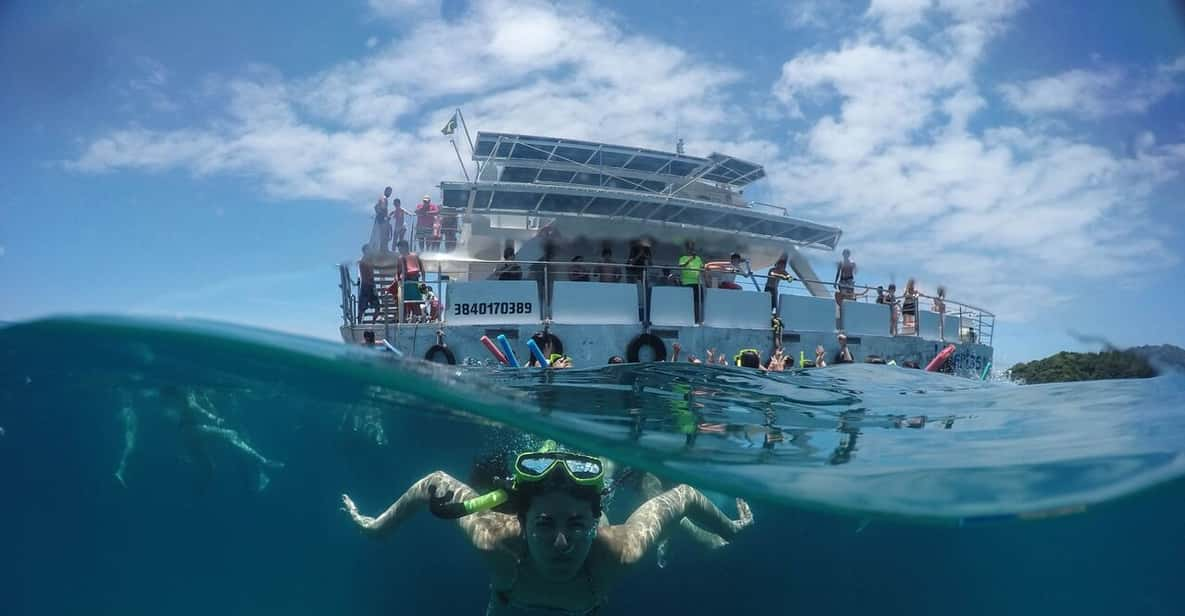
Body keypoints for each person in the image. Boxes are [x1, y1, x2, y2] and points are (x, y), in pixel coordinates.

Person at [341, 444, 753, 615]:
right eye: (543, 523)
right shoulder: (497, 541)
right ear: (520, 521)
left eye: (576, 524)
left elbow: (680, 497)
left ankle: (708, 542)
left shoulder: (619, 548)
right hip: (514, 604)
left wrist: (731, 530)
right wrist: (377, 528)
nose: (561, 542)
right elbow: (434, 483)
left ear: (596, 522)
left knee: (655, 505)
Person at [115, 386, 283, 491]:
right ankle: (263, 460)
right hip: (191, 430)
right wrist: (212, 416)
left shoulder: (170, 397)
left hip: (187, 435)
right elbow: (194, 406)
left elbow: (176, 412)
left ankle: (197, 494)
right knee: (231, 435)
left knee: (210, 468)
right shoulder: (187, 391)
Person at [678, 240, 704, 322]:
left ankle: (697, 319)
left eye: (692, 248)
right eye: (689, 248)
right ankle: (686, 319)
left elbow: (702, 268)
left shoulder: (698, 258)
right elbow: (682, 266)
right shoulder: (682, 258)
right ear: (686, 249)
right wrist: (690, 259)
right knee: (687, 302)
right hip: (687, 283)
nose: (691, 250)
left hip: (697, 283)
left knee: (698, 302)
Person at [357, 244, 380, 323]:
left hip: (365, 285)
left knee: (362, 308)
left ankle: (360, 322)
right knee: (377, 307)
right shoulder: (366, 261)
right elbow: (370, 274)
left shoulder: (363, 260)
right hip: (369, 285)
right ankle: (372, 321)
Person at [368, 187, 393, 255]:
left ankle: (379, 250)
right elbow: (381, 206)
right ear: (385, 191)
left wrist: (379, 213)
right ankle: (382, 251)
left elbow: (375, 207)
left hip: (379, 218)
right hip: (381, 219)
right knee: (382, 236)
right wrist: (385, 215)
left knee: (378, 235)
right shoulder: (384, 198)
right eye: (389, 192)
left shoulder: (382, 198)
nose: (390, 193)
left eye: (390, 192)